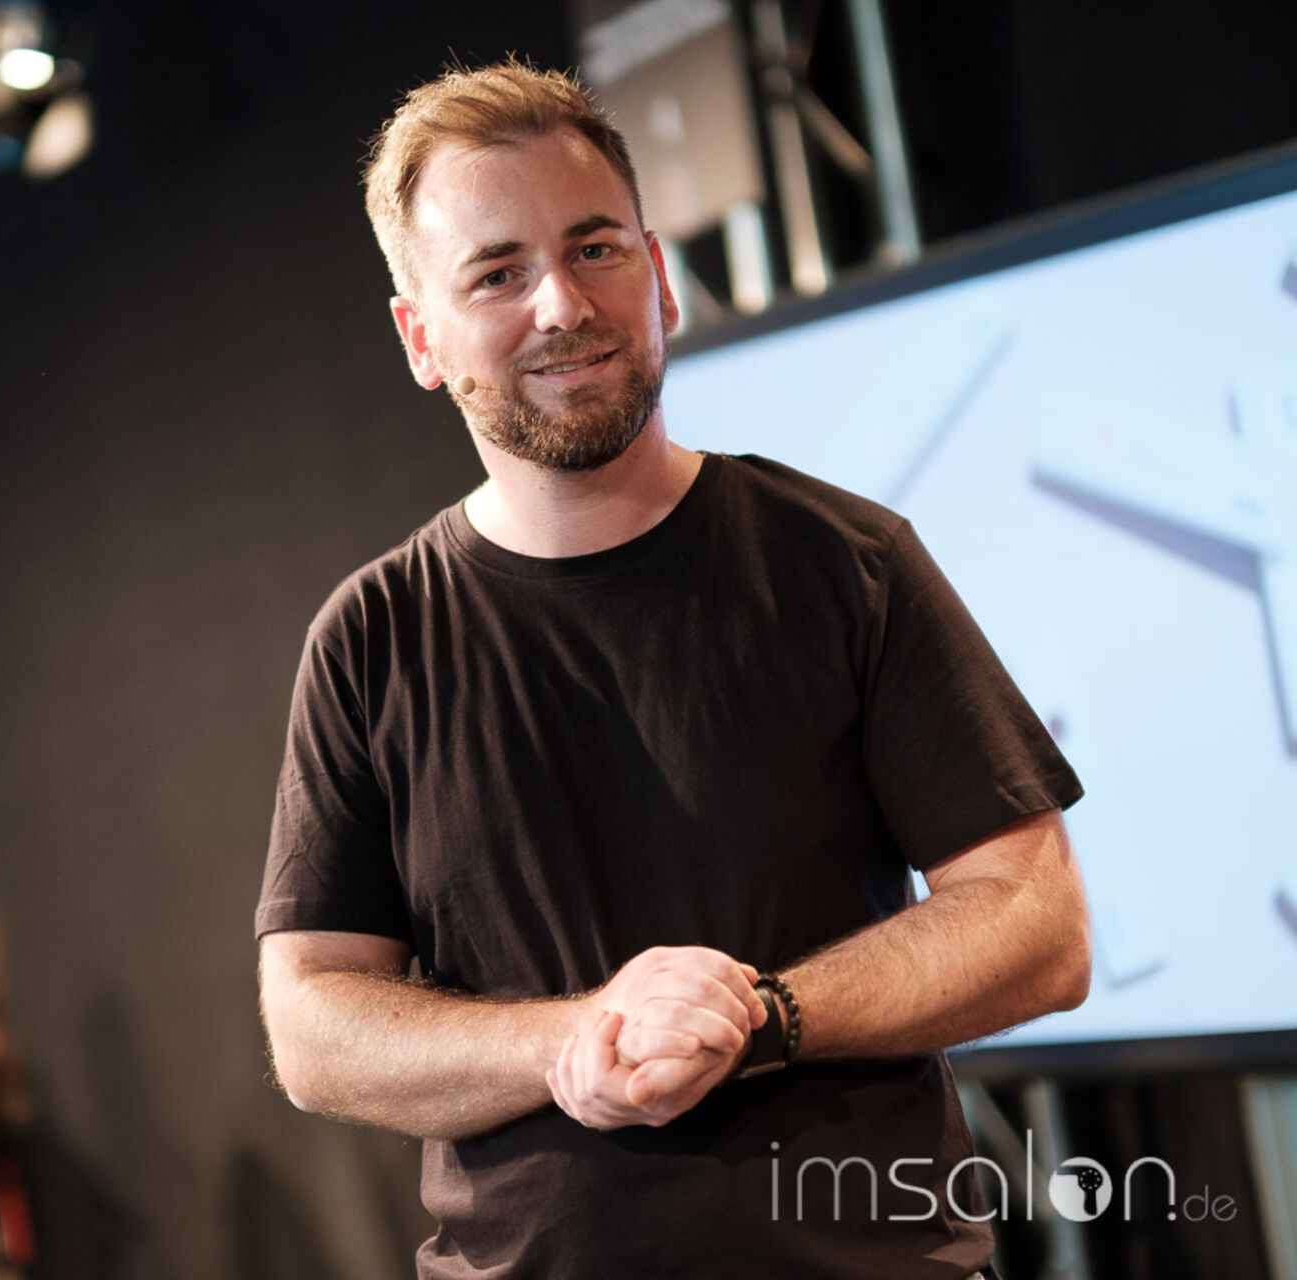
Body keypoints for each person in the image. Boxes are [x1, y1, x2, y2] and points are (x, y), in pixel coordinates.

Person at [254, 58, 1090, 1279]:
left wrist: (763, 1017)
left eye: (594, 248)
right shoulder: (372, 638)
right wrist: (575, 1040)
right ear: (420, 336)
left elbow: (1037, 922)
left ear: (657, 275)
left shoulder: (846, 563)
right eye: (497, 273)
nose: (561, 303)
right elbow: (313, 1022)